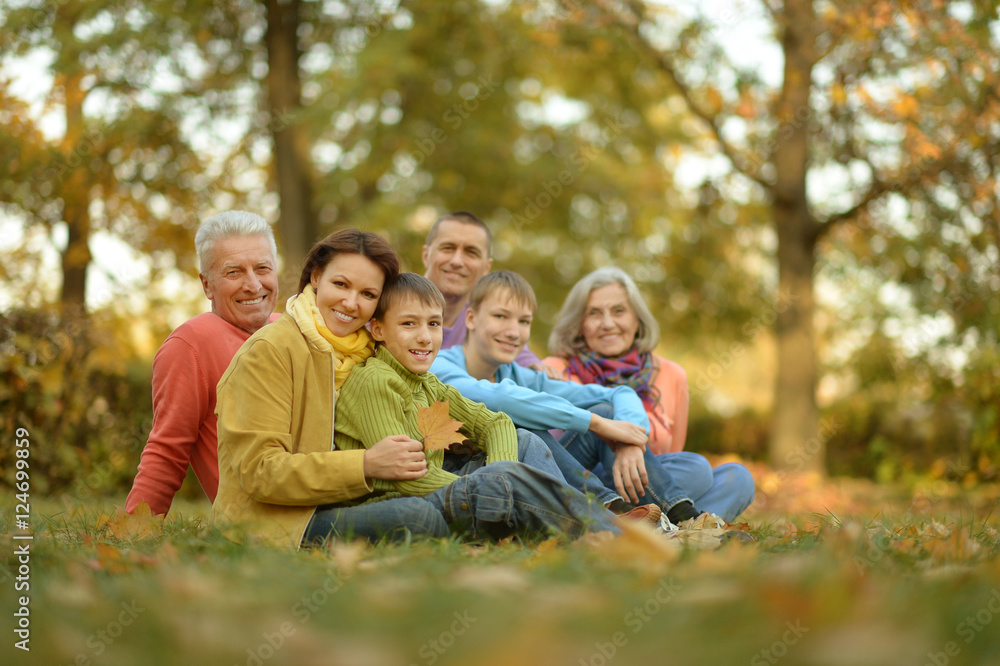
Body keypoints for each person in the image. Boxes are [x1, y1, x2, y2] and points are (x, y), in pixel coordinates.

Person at [332, 272, 626, 540]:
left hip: (446, 487)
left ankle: (598, 529)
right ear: (378, 330)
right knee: (499, 483)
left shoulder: (426, 382)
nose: (425, 336)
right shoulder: (376, 381)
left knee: (524, 439)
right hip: (398, 499)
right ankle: (603, 534)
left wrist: (500, 474)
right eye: (409, 323)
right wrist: (494, 485)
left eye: (434, 324)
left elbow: (495, 422)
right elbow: (407, 477)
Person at [431, 270, 736, 525]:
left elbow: (621, 393)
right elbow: (498, 400)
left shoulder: (521, 375)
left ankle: (688, 520)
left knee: (605, 407)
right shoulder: (441, 365)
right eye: (501, 316)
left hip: (549, 480)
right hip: (476, 486)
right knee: (523, 425)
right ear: (470, 318)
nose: (514, 331)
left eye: (523, 321)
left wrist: (629, 439)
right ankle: (612, 515)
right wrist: (597, 424)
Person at [212, 229, 451, 548]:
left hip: (354, 497)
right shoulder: (269, 352)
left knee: (516, 445)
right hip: (281, 519)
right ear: (316, 276)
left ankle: (514, 509)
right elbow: (261, 472)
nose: (351, 303)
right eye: (341, 284)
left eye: (368, 294)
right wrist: (366, 464)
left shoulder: (371, 351)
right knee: (418, 517)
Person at [544, 266, 755, 520]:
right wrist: (622, 442)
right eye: (594, 314)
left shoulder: (671, 374)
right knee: (697, 470)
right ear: (579, 325)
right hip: (583, 485)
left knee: (737, 477)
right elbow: (553, 452)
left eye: (619, 311)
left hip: (652, 482)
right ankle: (677, 525)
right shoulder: (555, 370)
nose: (608, 323)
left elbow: (671, 457)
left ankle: (677, 532)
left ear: (637, 320)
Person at [125, 211, 280, 515]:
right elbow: (167, 450)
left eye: (262, 268)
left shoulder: (292, 329)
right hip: (269, 519)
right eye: (234, 272)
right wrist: (132, 532)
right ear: (207, 285)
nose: (253, 284)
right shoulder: (192, 344)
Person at [422, 210, 559, 378]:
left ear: (487, 267)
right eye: (448, 248)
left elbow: (514, 342)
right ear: (426, 255)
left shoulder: (483, 318)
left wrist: (534, 366)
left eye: (471, 252)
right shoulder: (391, 303)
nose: (457, 261)